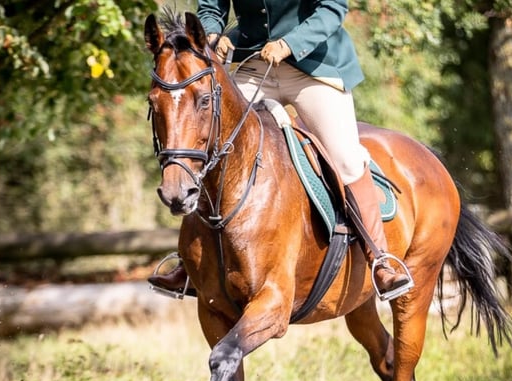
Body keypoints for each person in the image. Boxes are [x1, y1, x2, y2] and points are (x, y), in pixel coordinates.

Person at [149, 0, 412, 300]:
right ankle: (189, 266)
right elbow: (211, 8)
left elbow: (332, 9)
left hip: (313, 66)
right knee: (212, 145)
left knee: (347, 160)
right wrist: (208, 39)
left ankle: (380, 259)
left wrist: (289, 44)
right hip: (254, 63)